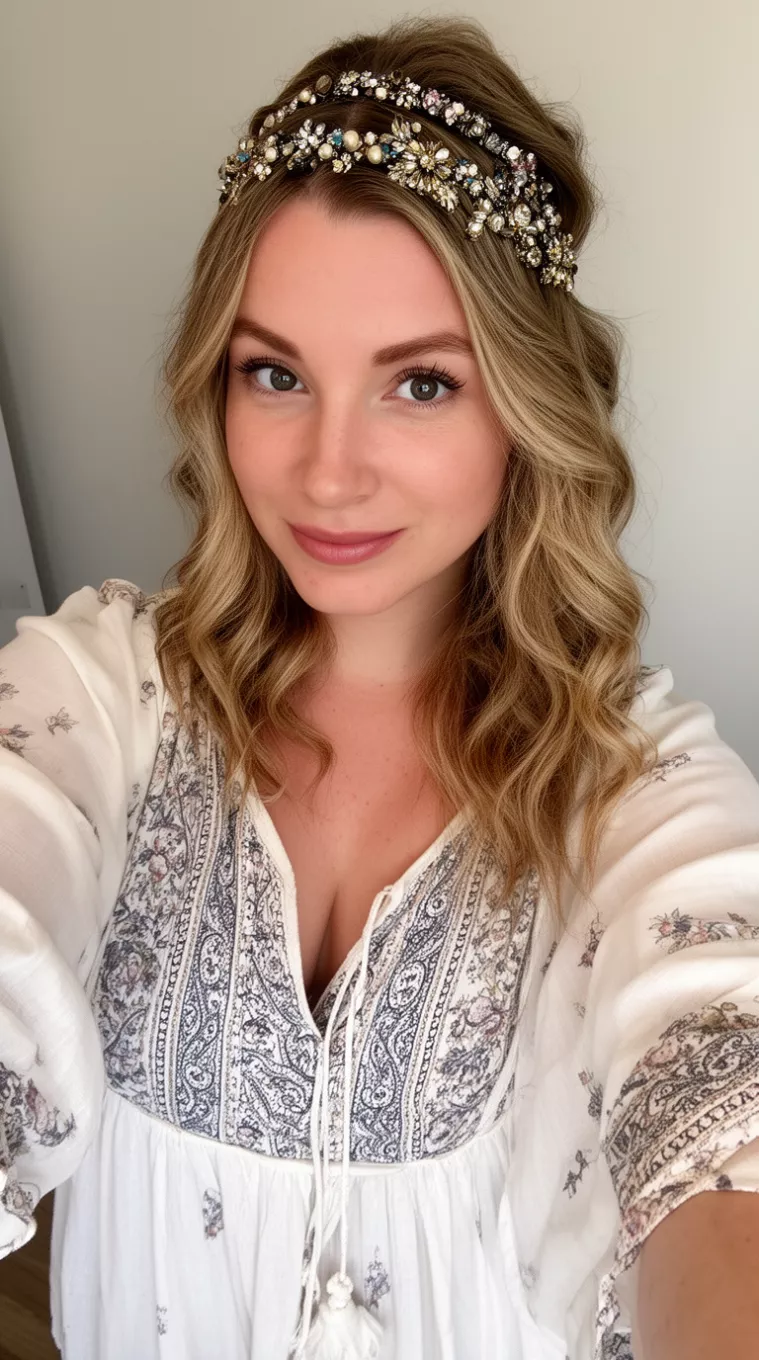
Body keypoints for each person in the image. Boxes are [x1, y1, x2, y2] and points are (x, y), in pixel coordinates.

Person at [1, 14, 758, 1360]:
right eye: (274, 373)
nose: (327, 472)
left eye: (418, 382)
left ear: (525, 408)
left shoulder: (628, 783)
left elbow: (719, 1081)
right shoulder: (102, 697)